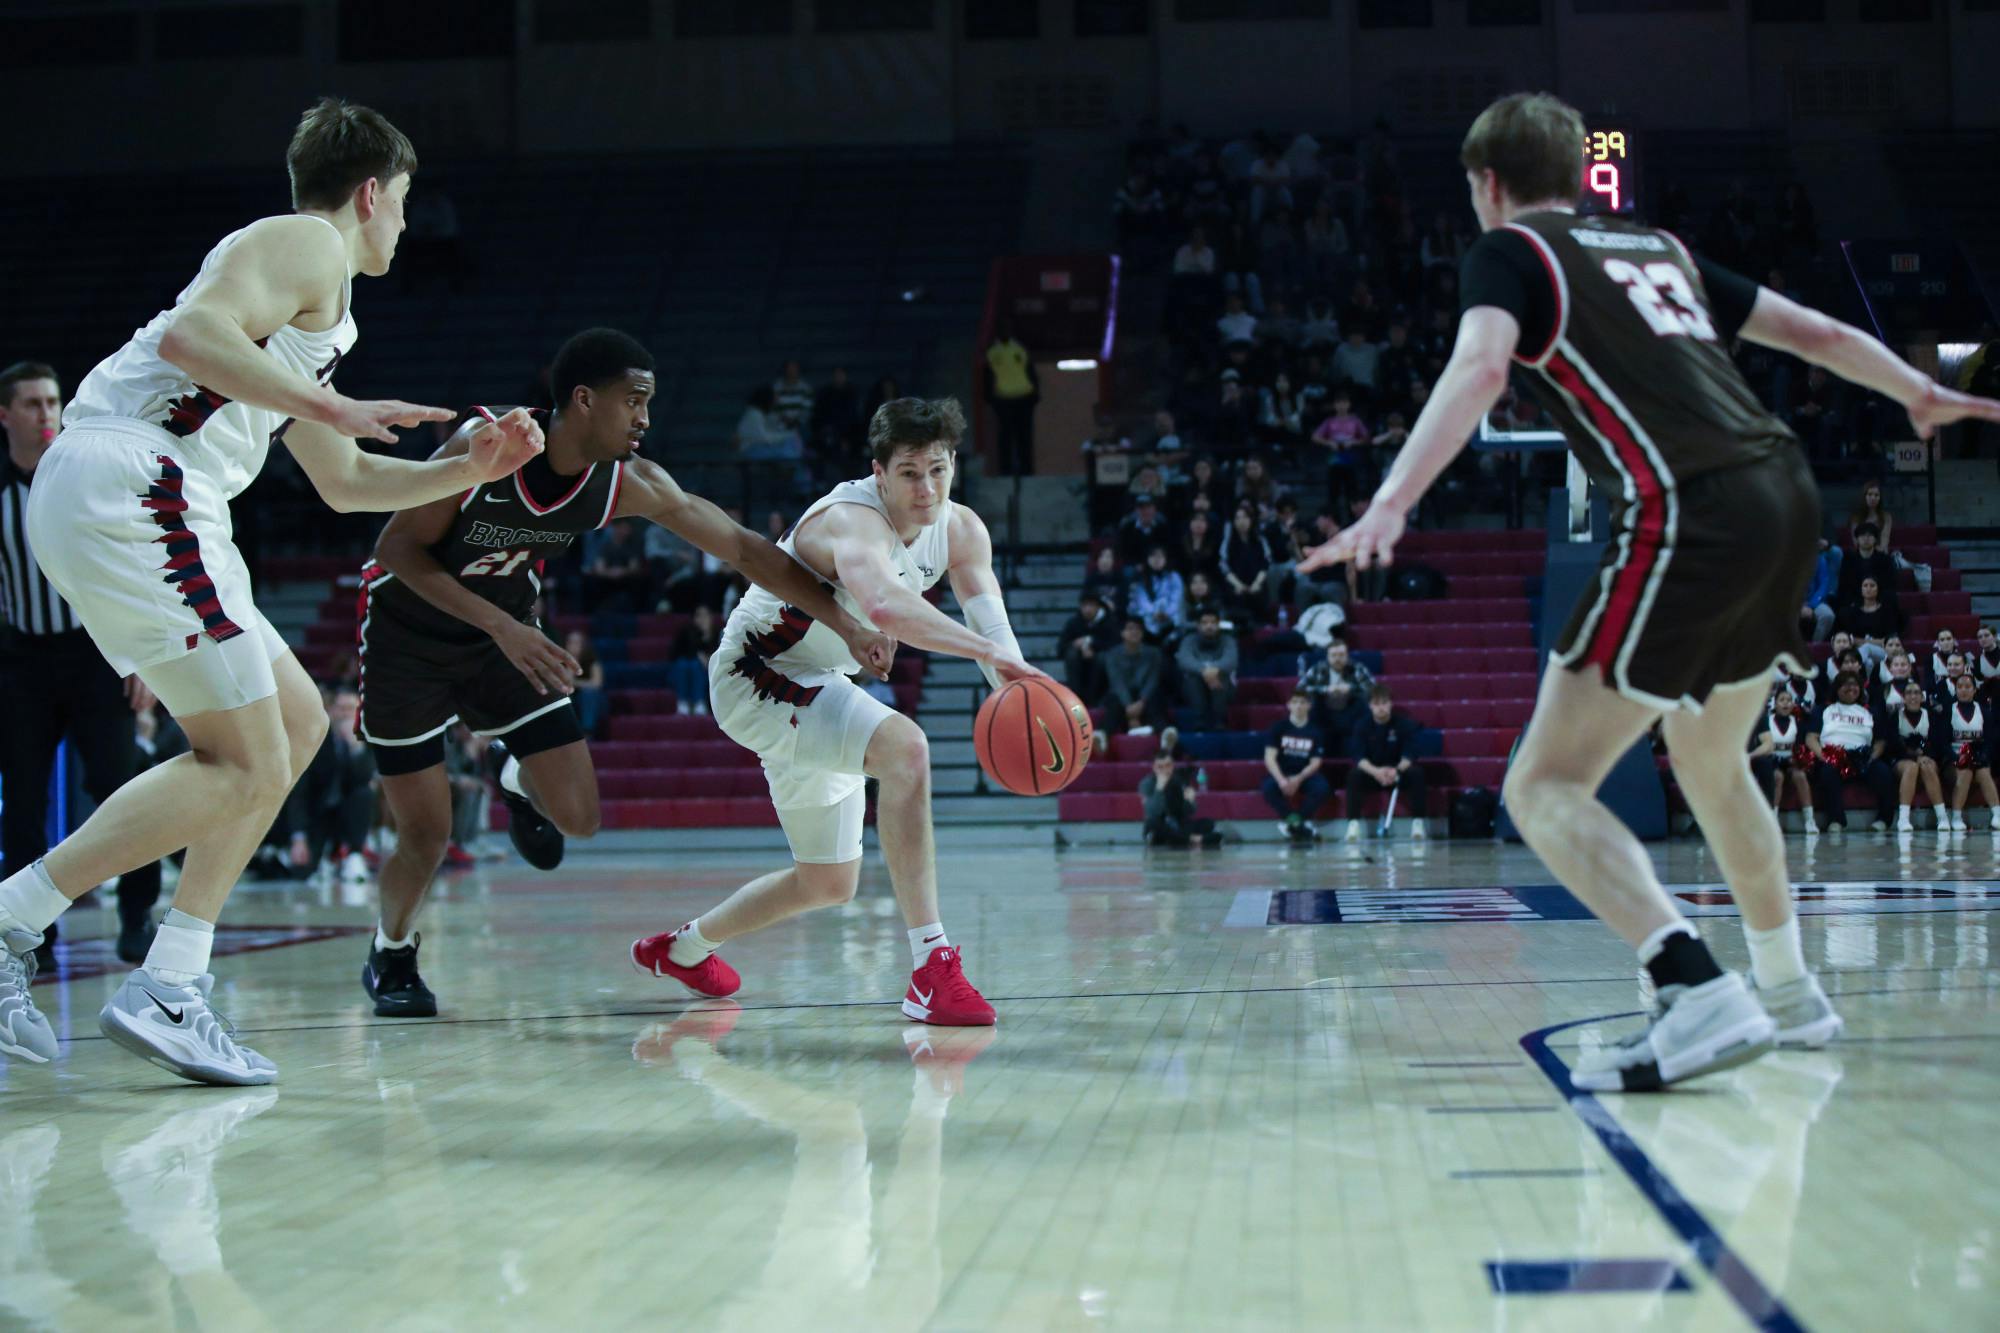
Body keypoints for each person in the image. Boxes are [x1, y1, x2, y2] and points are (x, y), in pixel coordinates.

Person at [1296, 91, 2000, 1090]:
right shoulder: (1652, 248)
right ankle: (1789, 994)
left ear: (1487, 185)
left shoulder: (1510, 253)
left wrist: (1390, 500)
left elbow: (1480, 364)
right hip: (1783, 492)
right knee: (1711, 763)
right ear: (1576, 168)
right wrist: (1912, 391)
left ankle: (1693, 984)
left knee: (1541, 785)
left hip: (1689, 509)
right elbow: (1806, 330)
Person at [0, 98, 550, 1086]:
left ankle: (174, 974)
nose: (407, 225)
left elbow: (344, 482)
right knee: (246, 754)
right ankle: (13, 919)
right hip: (143, 475)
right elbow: (192, 338)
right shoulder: (305, 242)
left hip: (136, 492)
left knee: (292, 730)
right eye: (405, 202)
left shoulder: (320, 311)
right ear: (371, 192)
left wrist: (469, 466)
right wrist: (328, 401)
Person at [354, 328, 891, 1018]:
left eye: (650, 402)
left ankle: (514, 778)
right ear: (582, 400)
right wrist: (501, 625)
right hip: (409, 638)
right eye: (633, 401)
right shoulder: (486, 446)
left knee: (579, 817)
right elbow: (396, 547)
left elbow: (745, 549)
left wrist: (844, 621)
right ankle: (391, 949)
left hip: (505, 640)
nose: (644, 418)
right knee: (425, 833)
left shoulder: (628, 482)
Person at [630, 397, 1041, 1028]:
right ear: (879, 472)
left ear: (953, 464)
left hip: (819, 682)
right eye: (909, 472)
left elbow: (996, 634)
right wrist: (984, 652)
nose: (926, 487)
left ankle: (683, 949)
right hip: (756, 675)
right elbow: (882, 605)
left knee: (827, 882)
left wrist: (1020, 690)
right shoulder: (852, 518)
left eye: (938, 468)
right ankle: (932, 968)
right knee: (906, 749)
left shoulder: (962, 530)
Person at [0, 362, 163, 968]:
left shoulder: (83, 478)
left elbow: (130, 560)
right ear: (6, 415)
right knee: (23, 798)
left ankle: (137, 915)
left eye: (52, 401)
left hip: (99, 655)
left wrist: (143, 653)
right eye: (33, 404)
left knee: (123, 788)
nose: (47, 413)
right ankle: (26, 932)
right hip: (23, 662)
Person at [1805, 671, 1896, 833]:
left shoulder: (1870, 711)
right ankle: (1836, 821)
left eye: (1855, 685)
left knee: (1884, 772)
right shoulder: (1823, 710)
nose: (1851, 688)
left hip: (1862, 758)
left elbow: (1881, 741)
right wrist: (1825, 757)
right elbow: (1811, 738)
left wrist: (1871, 757)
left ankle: (1884, 819)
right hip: (1833, 758)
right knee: (1827, 774)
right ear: (1837, 688)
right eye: (1846, 685)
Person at [1343, 685, 1425, 842]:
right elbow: (1358, 757)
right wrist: (1376, 772)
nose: (1381, 708)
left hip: (1397, 774)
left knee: (1417, 773)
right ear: (1370, 706)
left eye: (1384, 703)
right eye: (1376, 704)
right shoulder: (1362, 725)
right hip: (1373, 774)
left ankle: (1418, 823)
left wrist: (1397, 771)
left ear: (1390, 704)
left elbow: (1410, 754)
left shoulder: (1403, 724)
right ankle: (1353, 825)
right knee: (1354, 775)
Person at [1261, 688, 1330, 842]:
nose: (1298, 706)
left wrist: (1298, 779)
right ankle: (1293, 820)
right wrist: (1282, 780)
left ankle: (1298, 822)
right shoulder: (1278, 728)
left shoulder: (1315, 731)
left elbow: (1316, 762)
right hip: (1282, 772)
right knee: (1268, 788)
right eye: (1295, 702)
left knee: (1322, 788)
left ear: (1309, 706)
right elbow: (1269, 758)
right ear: (1289, 705)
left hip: (1304, 774)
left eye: (1302, 702)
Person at [1883, 679, 1945, 833]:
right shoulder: (1894, 717)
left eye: (1916, 693)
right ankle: (1903, 819)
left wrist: (1926, 755)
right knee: (1911, 767)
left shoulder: (1931, 716)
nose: (1913, 696)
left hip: (1927, 758)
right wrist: (1914, 756)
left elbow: (1938, 743)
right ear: (1903, 697)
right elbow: (1892, 746)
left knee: (1927, 766)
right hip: (1902, 760)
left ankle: (1942, 818)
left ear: (1922, 697)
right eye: (1909, 693)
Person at [1749, 686, 1814, 833]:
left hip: (1791, 761)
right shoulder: (1767, 721)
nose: (1785, 703)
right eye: (1782, 700)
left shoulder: (1798, 722)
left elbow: (1801, 747)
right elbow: (1763, 744)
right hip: (1773, 761)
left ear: (1793, 704)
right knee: (1777, 777)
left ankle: (1810, 820)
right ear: (1775, 703)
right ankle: (1773, 819)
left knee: (1801, 776)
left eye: (1789, 700)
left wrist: (1797, 759)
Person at [1945, 671, 1998, 832]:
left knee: (1983, 771)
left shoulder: (1984, 711)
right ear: (1955, 689)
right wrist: (1955, 757)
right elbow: (1941, 742)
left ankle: (1997, 815)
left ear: (1975, 690)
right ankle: (1956, 817)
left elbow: (1991, 740)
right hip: (1953, 759)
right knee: (1965, 771)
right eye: (1960, 687)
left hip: (1977, 757)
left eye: (1968, 687)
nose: (1963, 690)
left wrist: (1984, 756)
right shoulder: (1949, 710)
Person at [983, 323, 1039, 476]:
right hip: (1004, 399)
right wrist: (990, 398)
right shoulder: (993, 352)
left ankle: (1027, 469)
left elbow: (1030, 371)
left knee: (1024, 436)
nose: (1005, 332)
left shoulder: (1019, 349)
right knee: (1005, 436)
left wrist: (1034, 394)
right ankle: (1005, 470)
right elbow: (987, 376)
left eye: (1008, 330)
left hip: (1024, 397)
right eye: (1002, 330)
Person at [1298, 638, 1374, 748]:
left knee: (1364, 705)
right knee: (1310, 705)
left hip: (1351, 714)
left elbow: (1373, 690)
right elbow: (1300, 690)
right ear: (1327, 656)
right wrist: (1325, 689)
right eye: (1333, 655)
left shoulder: (1357, 668)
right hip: (1324, 714)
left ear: (1347, 655)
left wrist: (1351, 689)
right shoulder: (1318, 668)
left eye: (1341, 655)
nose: (1337, 659)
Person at [1102, 615, 1165, 735]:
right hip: (1122, 697)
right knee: (1114, 699)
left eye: (1138, 629)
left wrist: (1141, 702)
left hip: (1145, 696)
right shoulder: (1112, 654)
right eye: (1130, 629)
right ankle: (1103, 735)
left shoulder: (1154, 653)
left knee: (1155, 697)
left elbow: (1152, 680)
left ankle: (1165, 734)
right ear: (1122, 633)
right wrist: (1129, 706)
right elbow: (1117, 682)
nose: (1134, 632)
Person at [1140, 750, 1216, 848]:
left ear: (1172, 766)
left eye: (1167, 766)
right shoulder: (1147, 783)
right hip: (1161, 824)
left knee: (1208, 823)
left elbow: (1188, 812)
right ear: (1154, 768)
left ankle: (1179, 839)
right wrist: (1159, 789)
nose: (1164, 770)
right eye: (1160, 767)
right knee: (1152, 825)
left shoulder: (1180, 781)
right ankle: (1194, 839)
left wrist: (1190, 801)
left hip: (1178, 824)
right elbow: (1152, 812)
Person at [1176, 608, 1237, 731]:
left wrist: (1214, 671)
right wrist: (1205, 671)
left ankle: (1220, 720)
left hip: (1224, 688)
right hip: (1194, 688)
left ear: (1218, 625)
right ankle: (1200, 720)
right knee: (1193, 677)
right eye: (1204, 623)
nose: (1209, 626)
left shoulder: (1228, 640)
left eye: (1213, 622)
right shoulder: (1188, 640)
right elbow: (1184, 661)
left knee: (1221, 675)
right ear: (1198, 625)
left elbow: (1231, 661)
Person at [1059, 589, 1116, 703]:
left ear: (1098, 607)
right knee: (1071, 654)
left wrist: (1091, 644)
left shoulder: (1110, 621)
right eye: (1084, 605)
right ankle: (1075, 698)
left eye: (1091, 605)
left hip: (1101, 669)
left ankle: (1094, 701)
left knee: (1102, 658)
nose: (1087, 609)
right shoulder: (1074, 622)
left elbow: (1115, 645)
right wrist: (1076, 645)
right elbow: (1060, 649)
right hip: (1079, 665)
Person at [668, 604, 721, 717]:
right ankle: (683, 703)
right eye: (698, 616)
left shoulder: (719, 633)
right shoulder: (685, 632)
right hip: (686, 668)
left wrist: (707, 638)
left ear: (711, 617)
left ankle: (699, 702)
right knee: (687, 664)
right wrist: (699, 651)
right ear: (693, 619)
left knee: (696, 665)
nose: (702, 619)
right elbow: (674, 654)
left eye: (705, 615)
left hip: (711, 671)